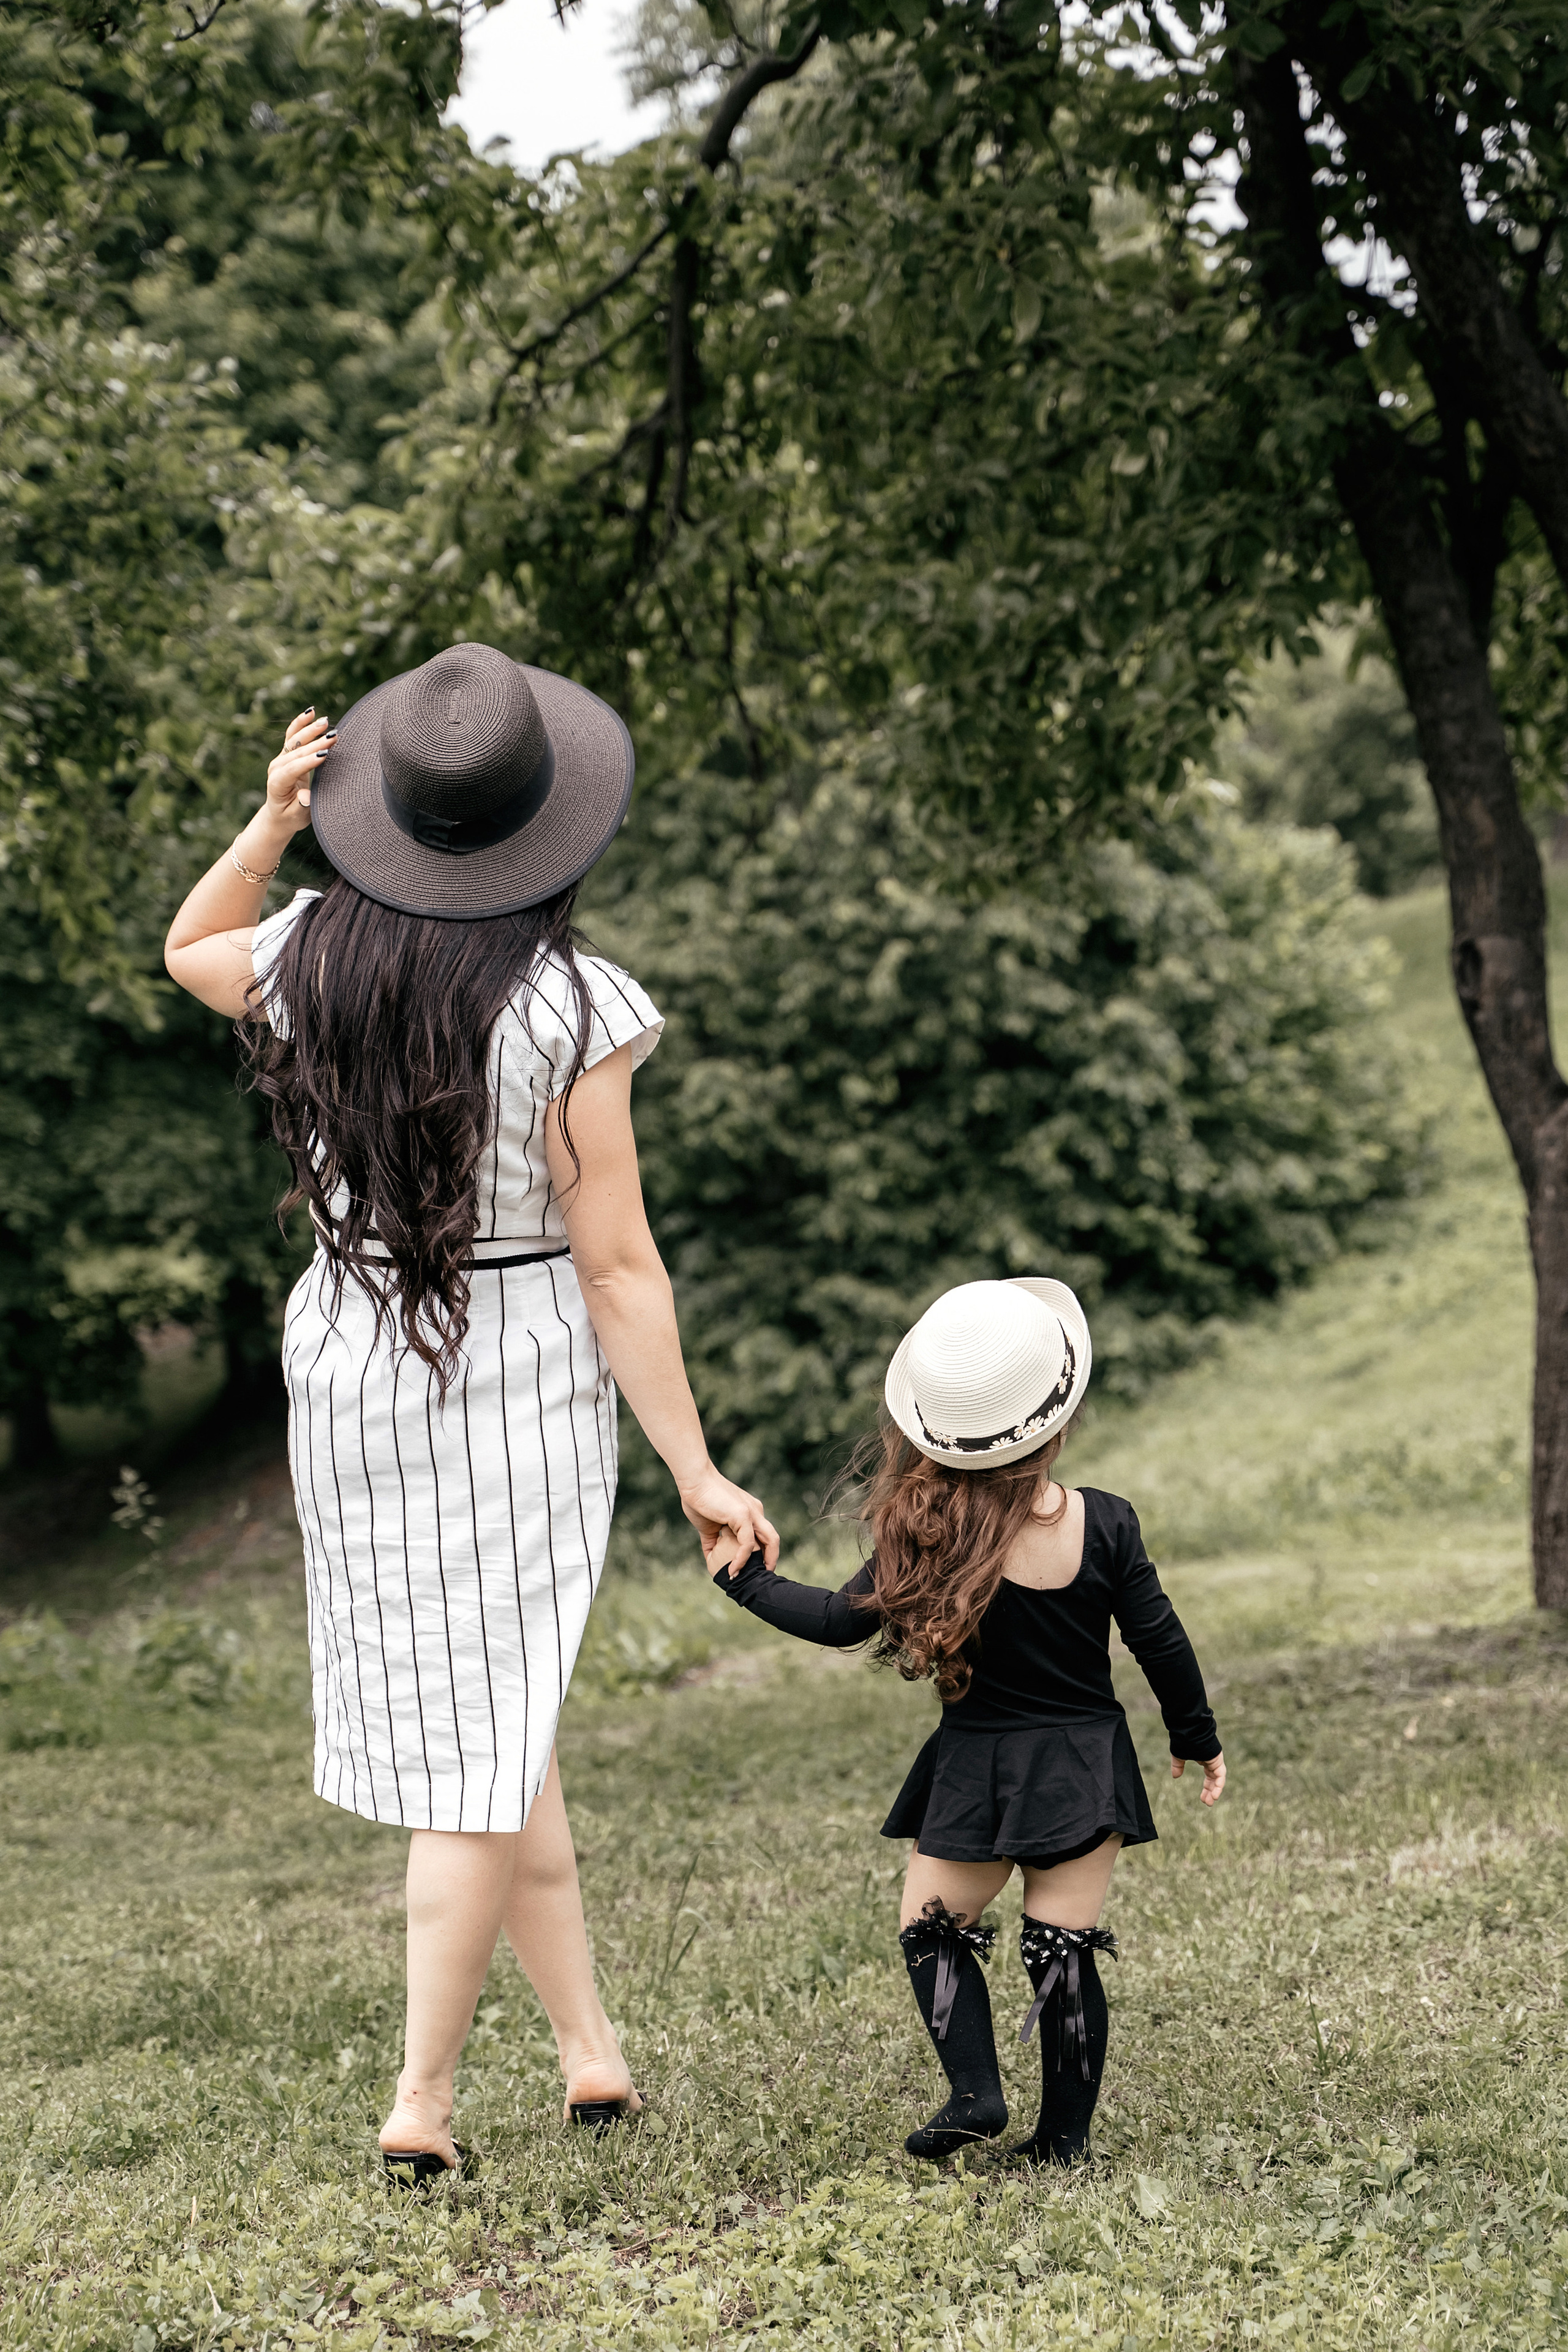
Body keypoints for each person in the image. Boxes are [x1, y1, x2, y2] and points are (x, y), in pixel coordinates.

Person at [165, 644, 777, 2179]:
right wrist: (695, 1468)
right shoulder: (573, 1007)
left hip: (355, 1352)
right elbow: (616, 1262)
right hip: (506, 1362)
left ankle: (589, 2054)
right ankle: (421, 2102)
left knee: (490, 1721)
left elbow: (192, 947)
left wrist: (268, 824)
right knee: (478, 1735)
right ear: (539, 829)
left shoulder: (311, 957)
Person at [710, 1276, 1224, 2167]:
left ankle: (976, 2090)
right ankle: (1062, 2141)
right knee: (1063, 1953)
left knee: (932, 1929)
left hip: (975, 1771)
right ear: (1058, 1422)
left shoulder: (927, 1528)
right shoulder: (1105, 1523)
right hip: (1083, 1770)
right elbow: (1161, 1642)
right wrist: (1195, 1736)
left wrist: (744, 1578)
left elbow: (838, 1620)